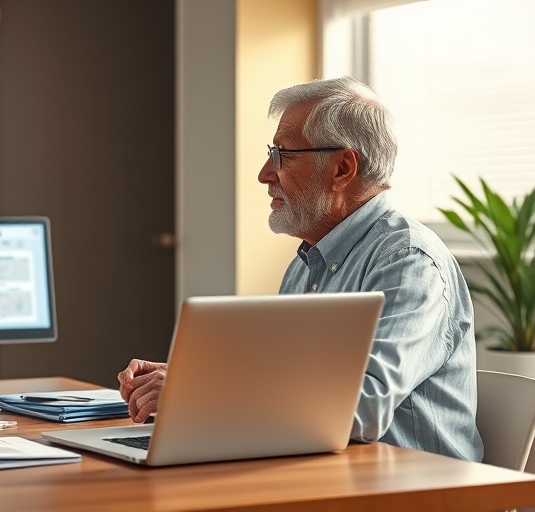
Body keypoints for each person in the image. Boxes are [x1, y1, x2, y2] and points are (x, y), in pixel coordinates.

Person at [118, 76, 483, 462]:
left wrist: (202, 390)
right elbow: (284, 385)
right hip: (326, 473)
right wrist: (189, 380)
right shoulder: (308, 260)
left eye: (282, 155)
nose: (264, 173)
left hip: (416, 491)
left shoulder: (408, 261)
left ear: (343, 167)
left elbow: (363, 408)